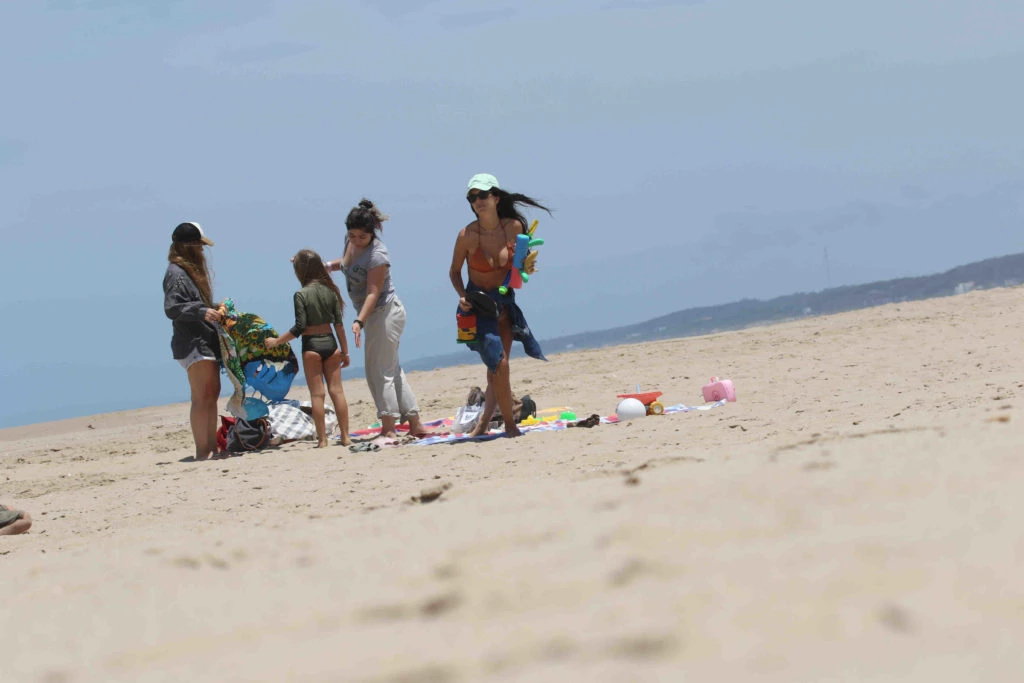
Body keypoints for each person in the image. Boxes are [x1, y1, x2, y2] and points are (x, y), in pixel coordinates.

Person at [449, 173, 550, 437]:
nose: (478, 201)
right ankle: (510, 426)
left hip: (504, 303)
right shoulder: (467, 235)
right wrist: (461, 295)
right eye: (472, 197)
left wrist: (526, 266)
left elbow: (520, 269)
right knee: (500, 365)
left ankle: (484, 425)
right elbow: (454, 271)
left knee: (497, 367)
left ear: (495, 197)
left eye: (483, 195)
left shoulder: (514, 227)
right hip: (478, 305)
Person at [325, 199, 429, 439]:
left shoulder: (378, 254)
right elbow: (348, 264)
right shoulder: (350, 243)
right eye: (352, 235)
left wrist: (358, 321)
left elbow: (373, 291)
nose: (356, 240)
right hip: (373, 315)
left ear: (372, 233)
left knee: (379, 371)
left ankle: (389, 427)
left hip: (385, 313)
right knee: (391, 369)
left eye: (362, 237)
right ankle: (415, 423)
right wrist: (326, 266)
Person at [265, 250, 352, 447]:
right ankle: (346, 437)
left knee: (317, 395)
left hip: (311, 346)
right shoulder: (331, 291)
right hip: (331, 344)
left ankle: (322, 440)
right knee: (337, 391)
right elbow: (339, 326)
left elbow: (300, 327)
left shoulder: (301, 295)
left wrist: (277, 341)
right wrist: (345, 352)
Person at [163, 221, 225, 461]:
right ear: (188, 247)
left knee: (212, 393)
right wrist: (201, 312)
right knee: (202, 395)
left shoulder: (188, 272)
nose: (201, 251)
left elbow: (189, 304)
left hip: (204, 339)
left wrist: (213, 307)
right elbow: (172, 307)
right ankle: (203, 450)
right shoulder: (176, 273)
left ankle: (211, 446)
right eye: (198, 246)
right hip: (192, 342)